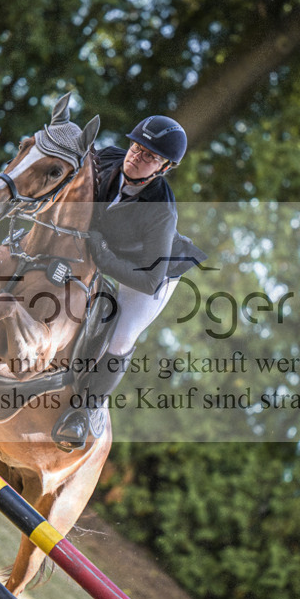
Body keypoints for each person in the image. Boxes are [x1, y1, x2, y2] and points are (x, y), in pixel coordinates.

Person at [53, 114, 206, 450]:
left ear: (164, 168)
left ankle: (84, 411)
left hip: (149, 273)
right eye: (136, 147)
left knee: (122, 338)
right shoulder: (108, 158)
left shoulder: (161, 210)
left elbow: (150, 280)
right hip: (104, 249)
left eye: (149, 156)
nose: (137, 156)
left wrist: (103, 256)